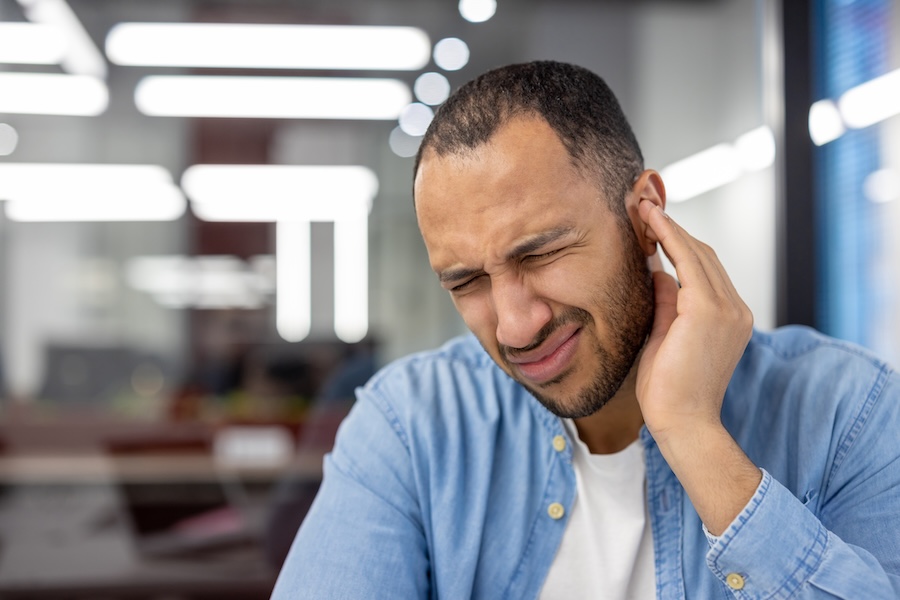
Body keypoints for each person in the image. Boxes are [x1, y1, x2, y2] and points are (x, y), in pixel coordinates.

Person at [270, 61, 900, 599]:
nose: (516, 327)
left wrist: (692, 434)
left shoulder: (849, 410)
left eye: (541, 254)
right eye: (467, 282)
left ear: (645, 217)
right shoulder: (412, 424)